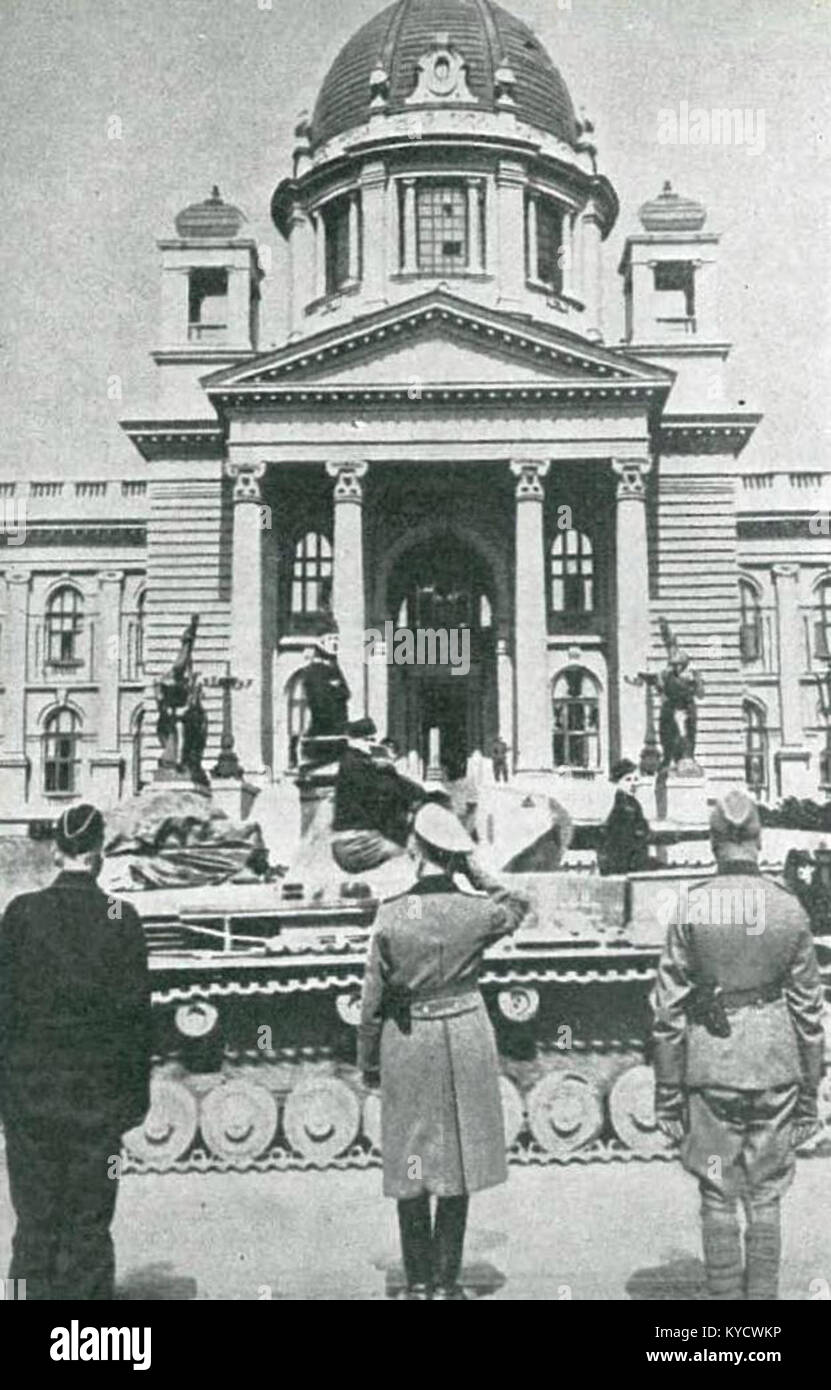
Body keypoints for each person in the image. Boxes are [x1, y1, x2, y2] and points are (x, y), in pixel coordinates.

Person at [651, 789, 825, 1301]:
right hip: (775, 1068)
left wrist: (667, 1095)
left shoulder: (691, 906)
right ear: (758, 838)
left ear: (713, 843)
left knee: (717, 1190)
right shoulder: (789, 909)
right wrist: (811, 1093)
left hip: (711, 1067)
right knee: (767, 1192)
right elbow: (808, 1013)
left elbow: (667, 1011)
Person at [358, 802, 533, 1300]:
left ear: (415, 848)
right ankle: (445, 1283)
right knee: (456, 1162)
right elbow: (519, 902)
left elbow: (372, 1001)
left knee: (411, 1161)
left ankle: (416, 1281)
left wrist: (370, 1064)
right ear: (454, 855)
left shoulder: (392, 915)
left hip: (408, 1042)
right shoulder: (476, 912)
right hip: (464, 1036)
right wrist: (474, 866)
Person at [0, 804, 152, 1300]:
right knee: (90, 1226)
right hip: (97, 1107)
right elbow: (135, 1024)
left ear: (56, 850)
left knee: (33, 1222)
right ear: (100, 854)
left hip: (29, 1103)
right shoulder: (120, 916)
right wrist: (130, 1107)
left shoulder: (21, 913)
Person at [599, 758, 652, 875]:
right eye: (628, 779)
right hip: (622, 863)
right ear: (617, 782)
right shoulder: (623, 805)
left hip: (627, 861)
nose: (633, 784)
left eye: (636, 779)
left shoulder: (632, 803)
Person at [301, 637, 350, 739]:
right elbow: (345, 694)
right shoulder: (322, 671)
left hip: (324, 725)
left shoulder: (312, 672)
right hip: (329, 725)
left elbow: (345, 693)